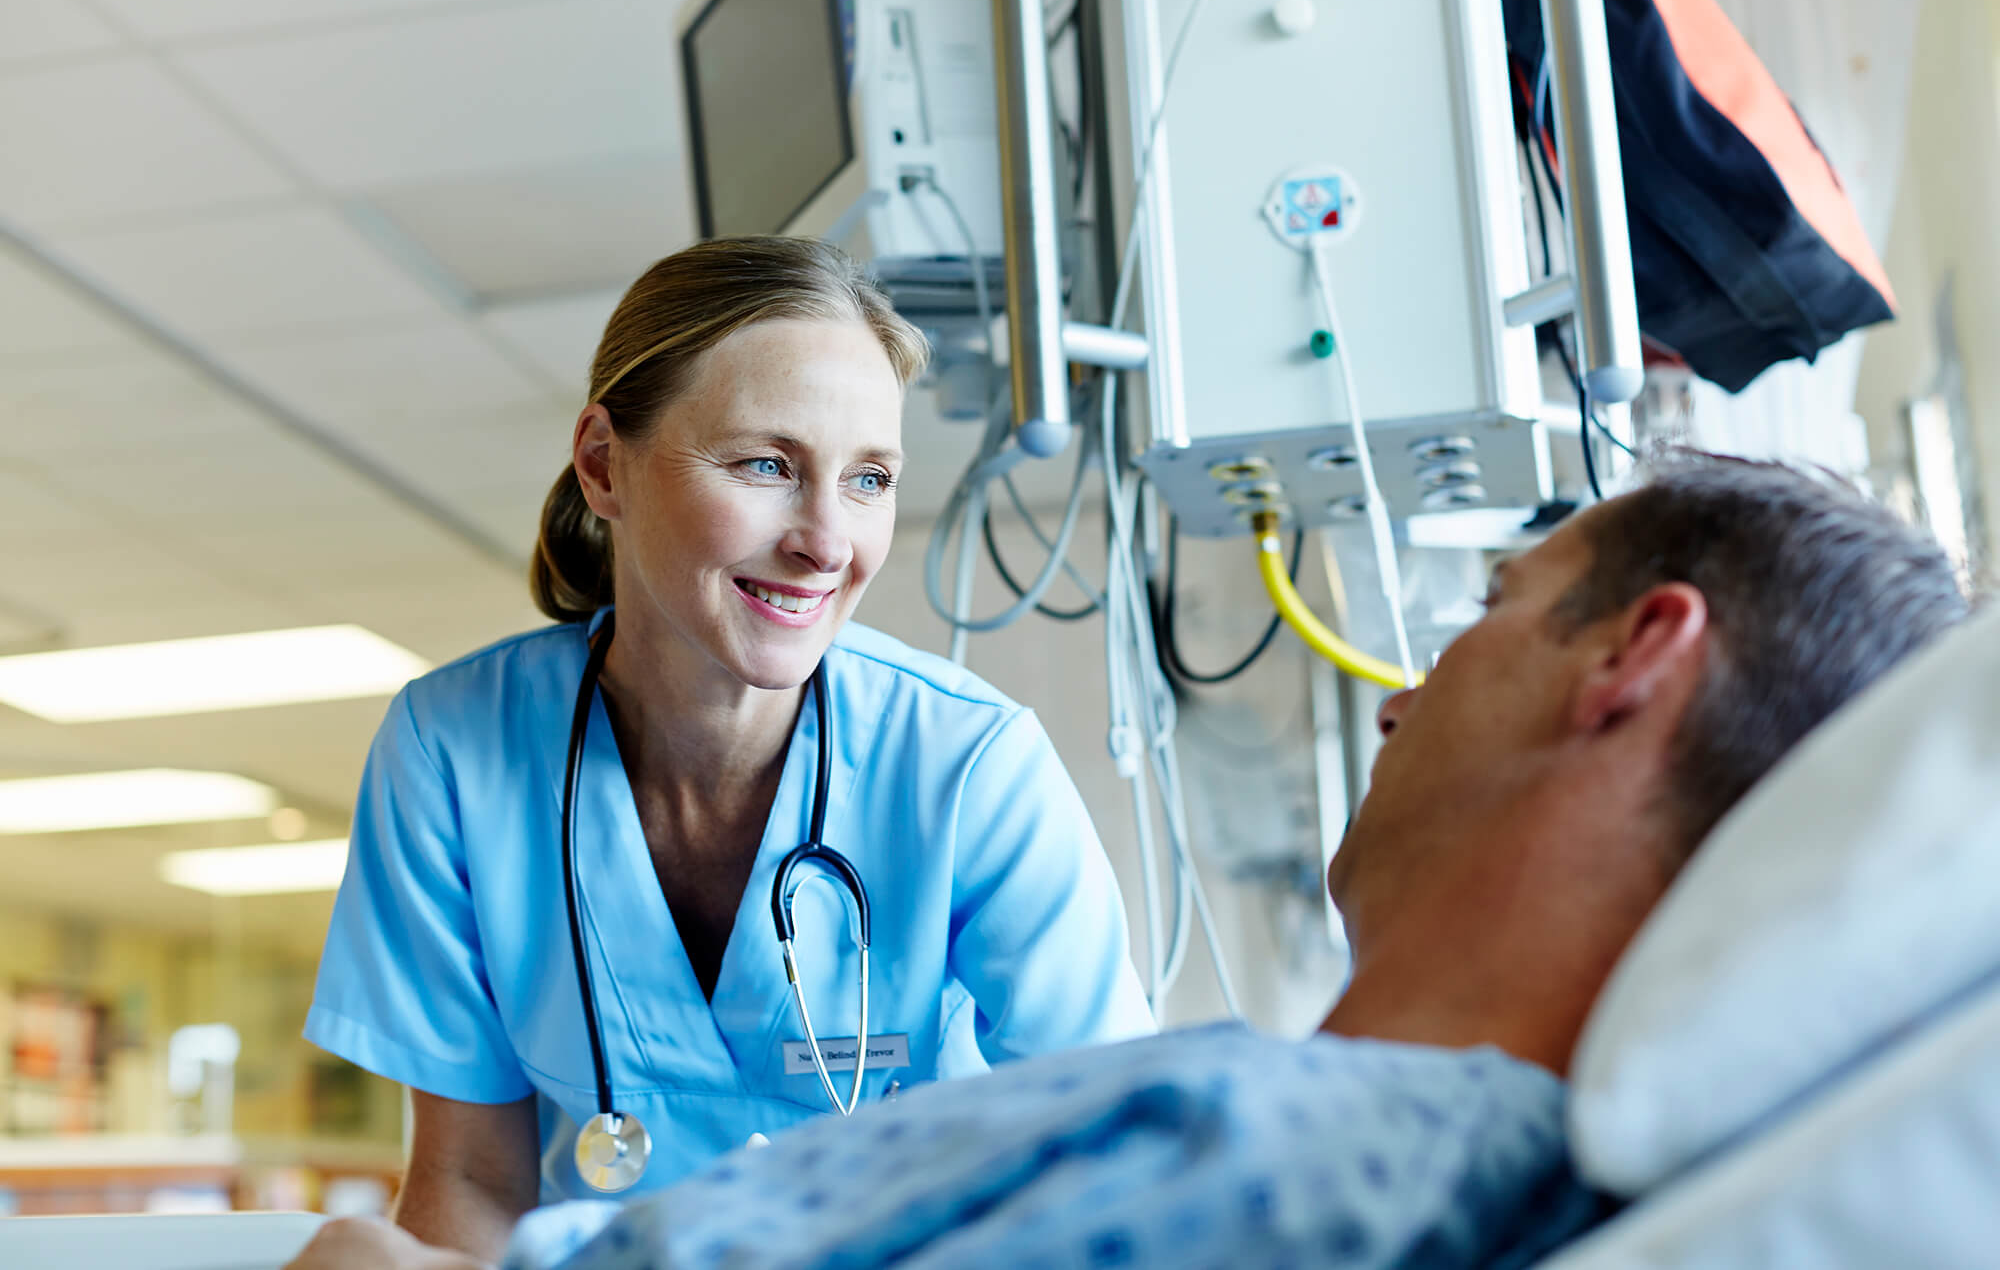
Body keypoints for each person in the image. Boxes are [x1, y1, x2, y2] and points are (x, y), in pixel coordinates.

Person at [289, 455, 1970, 1270]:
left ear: (1635, 660)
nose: (1406, 684)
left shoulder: (1288, 1149)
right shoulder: (1419, 1156)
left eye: (1487, 612)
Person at [304, 237, 1155, 1260]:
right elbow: (468, 1178)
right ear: (601, 464)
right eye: (766, 464)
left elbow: (1119, 1161)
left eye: (868, 479)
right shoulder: (452, 752)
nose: (826, 540)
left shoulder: (964, 764)